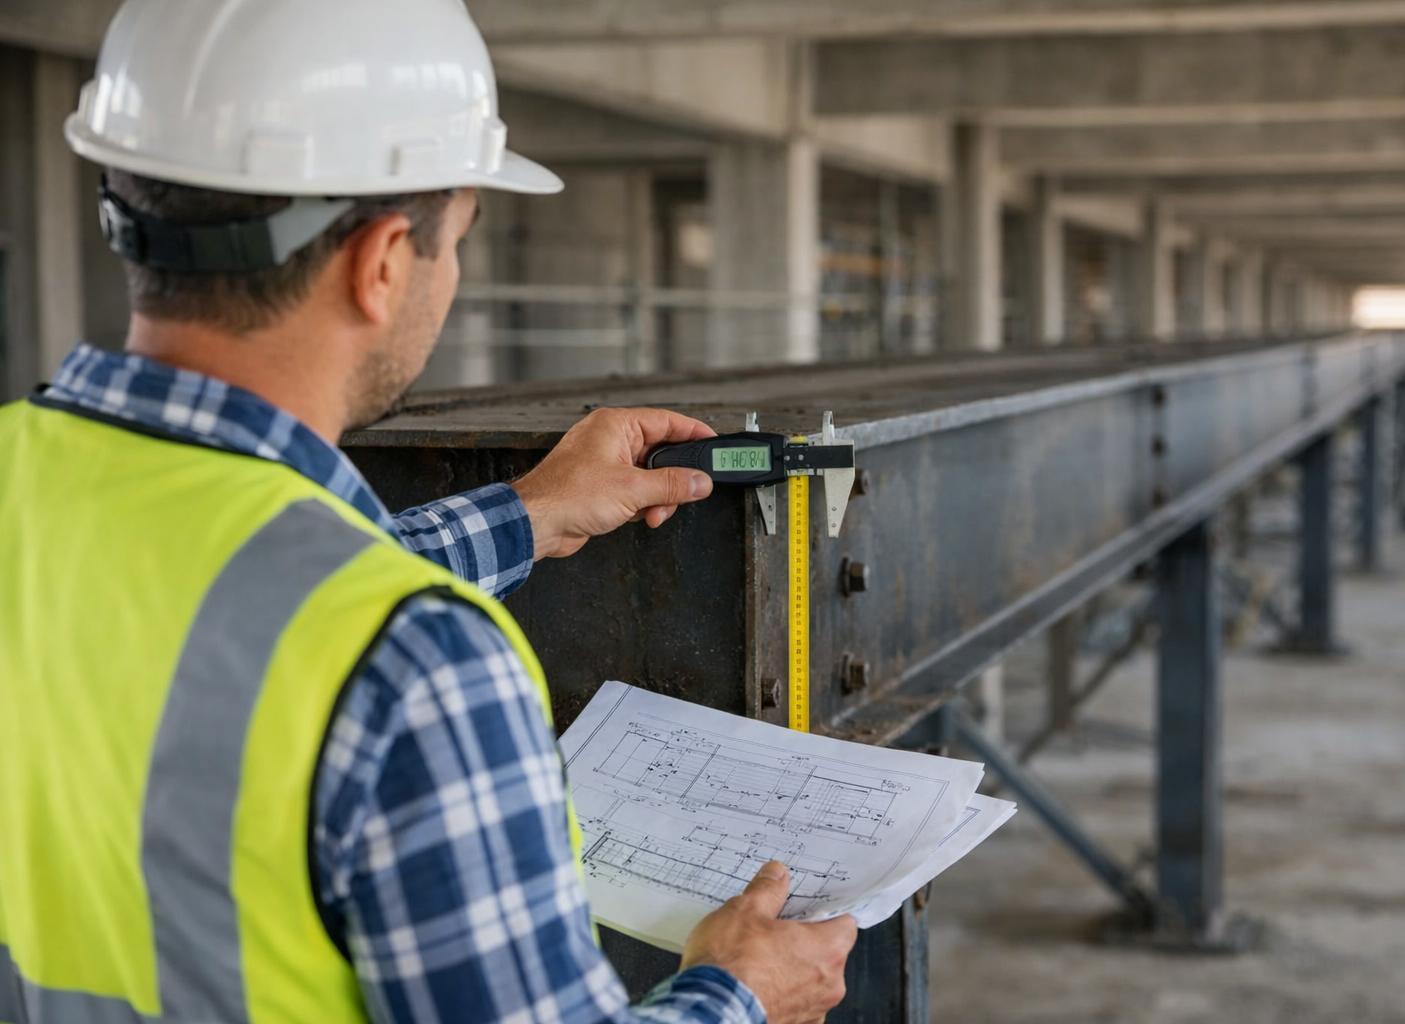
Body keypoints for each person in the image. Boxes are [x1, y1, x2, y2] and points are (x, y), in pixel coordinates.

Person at [0, 1, 857, 1022]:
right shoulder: (423, 671)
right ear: (381, 264)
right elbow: (317, 633)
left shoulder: (27, 475)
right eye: (455, 238)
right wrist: (740, 992)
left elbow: (231, 609)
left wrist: (531, 512)